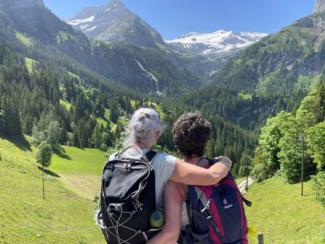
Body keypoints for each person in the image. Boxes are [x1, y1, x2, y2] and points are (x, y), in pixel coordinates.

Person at [105, 108, 232, 242]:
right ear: (157, 134)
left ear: (130, 129)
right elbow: (212, 176)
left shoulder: (113, 159)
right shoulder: (163, 162)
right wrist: (226, 161)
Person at [148, 112, 236, 244]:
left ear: (177, 143)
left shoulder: (176, 181)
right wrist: (226, 161)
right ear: (206, 141)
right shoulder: (220, 168)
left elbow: (170, 235)